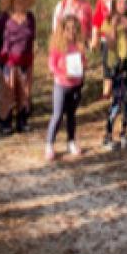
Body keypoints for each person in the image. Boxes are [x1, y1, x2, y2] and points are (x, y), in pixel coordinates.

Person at [0, 0, 38, 134]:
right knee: (8, 92)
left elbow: (32, 38)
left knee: (24, 92)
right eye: (17, 0)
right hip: (8, 61)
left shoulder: (30, 17)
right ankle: (5, 122)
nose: (20, 2)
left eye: (23, 0)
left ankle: (22, 121)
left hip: (26, 61)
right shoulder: (4, 18)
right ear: (12, 2)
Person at [101, 0, 127, 150]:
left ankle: (124, 132)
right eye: (119, 2)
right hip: (115, 64)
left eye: (125, 2)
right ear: (114, 4)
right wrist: (114, 26)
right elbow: (109, 44)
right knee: (116, 101)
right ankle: (108, 134)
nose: (122, 5)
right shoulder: (108, 20)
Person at [45, 14, 87, 161]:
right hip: (61, 85)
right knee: (57, 115)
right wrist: (64, 73)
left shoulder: (79, 46)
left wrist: (82, 69)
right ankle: (49, 144)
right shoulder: (57, 46)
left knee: (71, 115)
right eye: (68, 29)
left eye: (74, 29)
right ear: (62, 30)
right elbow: (52, 66)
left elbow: (83, 62)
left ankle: (71, 141)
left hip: (75, 86)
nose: (71, 32)